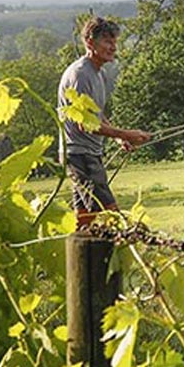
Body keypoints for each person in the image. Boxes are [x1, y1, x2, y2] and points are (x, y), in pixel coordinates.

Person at [58, 17, 151, 227]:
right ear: (90, 42)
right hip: (79, 153)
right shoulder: (81, 74)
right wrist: (127, 134)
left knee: (85, 216)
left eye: (114, 41)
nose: (113, 47)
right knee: (107, 212)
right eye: (107, 41)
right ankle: (110, 254)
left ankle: (82, 256)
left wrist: (119, 140)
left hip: (88, 152)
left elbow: (96, 115)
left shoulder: (98, 74)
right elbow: (85, 124)